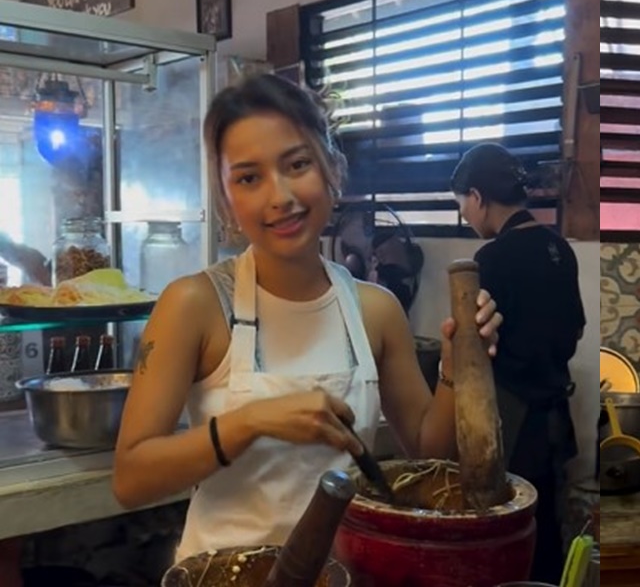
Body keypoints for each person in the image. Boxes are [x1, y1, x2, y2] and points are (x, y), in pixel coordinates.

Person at [111, 73, 502, 561]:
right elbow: (131, 478)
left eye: (296, 164)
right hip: (224, 573)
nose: (279, 197)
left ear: (331, 168)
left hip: (342, 572)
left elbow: (429, 456)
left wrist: (455, 364)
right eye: (249, 178)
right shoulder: (195, 305)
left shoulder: (374, 309)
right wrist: (251, 421)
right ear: (227, 199)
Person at [451, 143, 587, 583]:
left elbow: (474, 349)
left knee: (505, 533)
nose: (466, 218)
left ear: (477, 196)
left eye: (462, 207)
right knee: (546, 528)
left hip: (512, 422)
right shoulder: (558, 247)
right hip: (554, 419)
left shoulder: (490, 259)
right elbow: (576, 330)